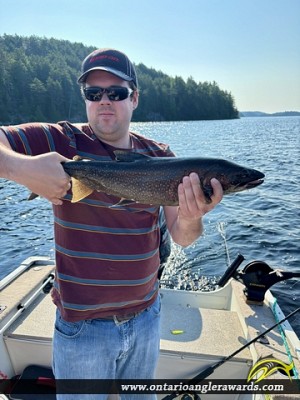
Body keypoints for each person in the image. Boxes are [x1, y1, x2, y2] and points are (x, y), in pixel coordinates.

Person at [0, 48, 223, 399]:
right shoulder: (61, 140)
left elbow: (182, 236)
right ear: (85, 99)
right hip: (81, 328)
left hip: (146, 319)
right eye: (94, 93)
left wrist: (193, 216)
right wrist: (21, 168)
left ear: (134, 98)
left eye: (116, 92)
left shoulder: (161, 157)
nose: (105, 101)